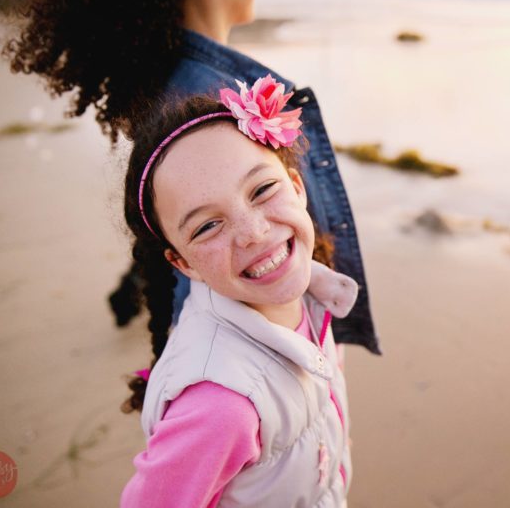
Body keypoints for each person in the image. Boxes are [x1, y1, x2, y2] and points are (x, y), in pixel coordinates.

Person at [0, 0, 380, 355]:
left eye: (263, 189)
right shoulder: (201, 92)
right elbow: (210, 287)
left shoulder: (172, 71)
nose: (254, 229)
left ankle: (132, 290)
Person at [119, 77, 353, 506]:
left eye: (262, 190)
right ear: (183, 263)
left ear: (297, 188)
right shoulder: (221, 407)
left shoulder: (315, 294)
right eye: (208, 226)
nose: (254, 232)